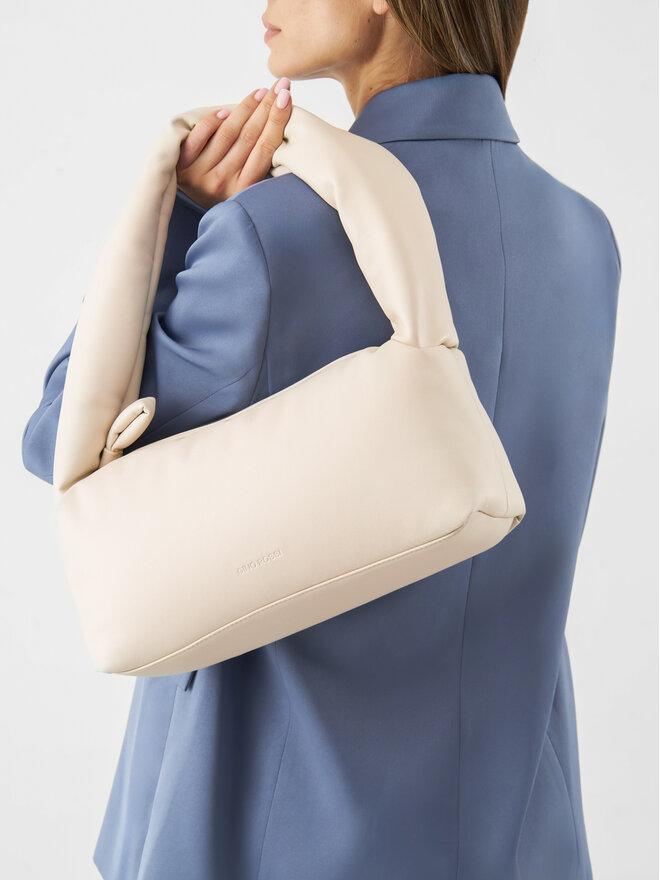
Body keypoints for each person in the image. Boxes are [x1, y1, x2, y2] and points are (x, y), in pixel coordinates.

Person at [21, 1, 621, 878]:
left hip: (269, 833)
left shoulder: (279, 231)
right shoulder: (585, 239)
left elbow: (62, 434)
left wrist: (181, 220)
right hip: (516, 834)